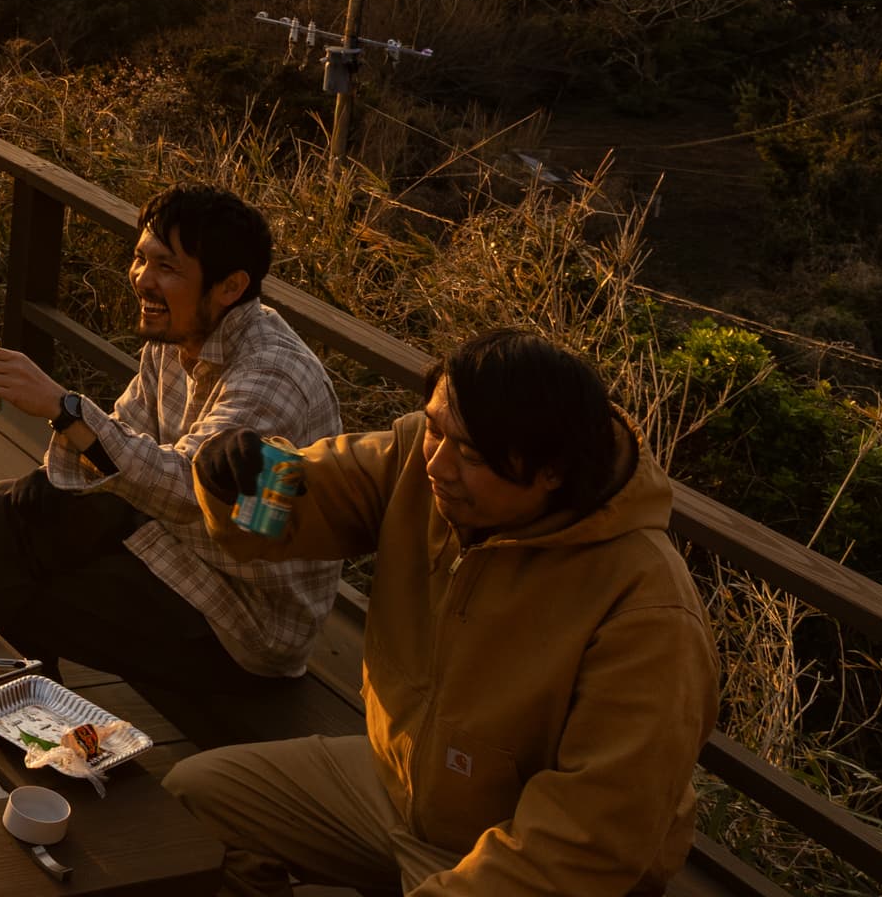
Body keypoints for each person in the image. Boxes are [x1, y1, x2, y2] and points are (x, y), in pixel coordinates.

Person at [166, 329, 718, 895]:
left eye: (472, 454)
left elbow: (585, 843)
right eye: (434, 428)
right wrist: (235, 478)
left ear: (552, 471)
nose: (438, 464)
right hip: (396, 788)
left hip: (516, 856)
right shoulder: (421, 460)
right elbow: (312, 496)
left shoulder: (647, 609)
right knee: (193, 801)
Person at [0, 185, 343, 731]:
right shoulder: (177, 332)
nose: (141, 278)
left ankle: (25, 731)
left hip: (241, 615)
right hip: (173, 543)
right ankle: (31, 727)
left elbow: (190, 489)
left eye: (166, 267)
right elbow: (122, 440)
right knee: (10, 510)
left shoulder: (270, 375)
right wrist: (66, 448)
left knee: (17, 591)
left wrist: (64, 409)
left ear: (231, 287)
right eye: (140, 258)